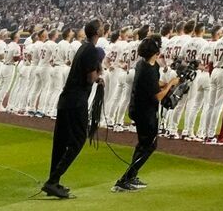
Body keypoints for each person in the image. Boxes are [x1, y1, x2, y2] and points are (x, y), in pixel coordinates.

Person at [41, 20, 105, 200]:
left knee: (61, 142)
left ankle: (54, 180)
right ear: (97, 32)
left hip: (66, 99)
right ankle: (53, 181)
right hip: (76, 101)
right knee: (77, 140)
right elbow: (90, 77)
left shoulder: (83, 47)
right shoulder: (92, 50)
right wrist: (99, 76)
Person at [116, 35, 176, 192]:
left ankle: (130, 176)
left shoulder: (145, 65)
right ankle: (126, 178)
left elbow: (155, 84)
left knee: (143, 144)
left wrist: (165, 84)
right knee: (149, 145)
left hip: (139, 108)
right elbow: (157, 96)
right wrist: (170, 84)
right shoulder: (148, 69)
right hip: (145, 111)